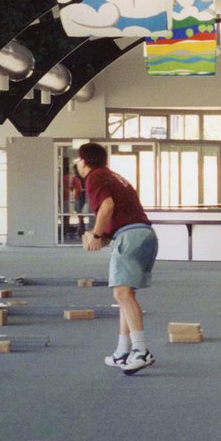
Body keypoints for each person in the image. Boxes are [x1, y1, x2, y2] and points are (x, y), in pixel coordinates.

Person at [76, 142, 158, 376]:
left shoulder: (94, 176)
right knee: (125, 295)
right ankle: (123, 351)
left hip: (131, 236)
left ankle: (141, 351)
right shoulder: (114, 177)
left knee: (121, 294)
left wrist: (97, 234)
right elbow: (113, 221)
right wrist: (94, 238)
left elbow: (107, 207)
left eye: (78, 161)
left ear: (84, 161)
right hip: (144, 235)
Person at [70, 162, 87, 237]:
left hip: (79, 196)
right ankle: (81, 230)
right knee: (80, 215)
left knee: (80, 215)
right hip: (83, 196)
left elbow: (71, 188)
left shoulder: (76, 178)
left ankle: (81, 231)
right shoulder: (84, 178)